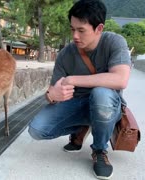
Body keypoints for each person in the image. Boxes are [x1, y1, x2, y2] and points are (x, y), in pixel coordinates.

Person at [28, 0, 131, 179]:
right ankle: (82, 127)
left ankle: (99, 151)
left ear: (99, 28)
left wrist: (73, 79)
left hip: (107, 106)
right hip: (77, 104)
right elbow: (53, 91)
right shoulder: (65, 54)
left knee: (101, 94)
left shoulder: (114, 42)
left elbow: (121, 79)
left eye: (81, 30)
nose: (75, 36)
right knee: (37, 129)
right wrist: (52, 95)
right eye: (72, 29)